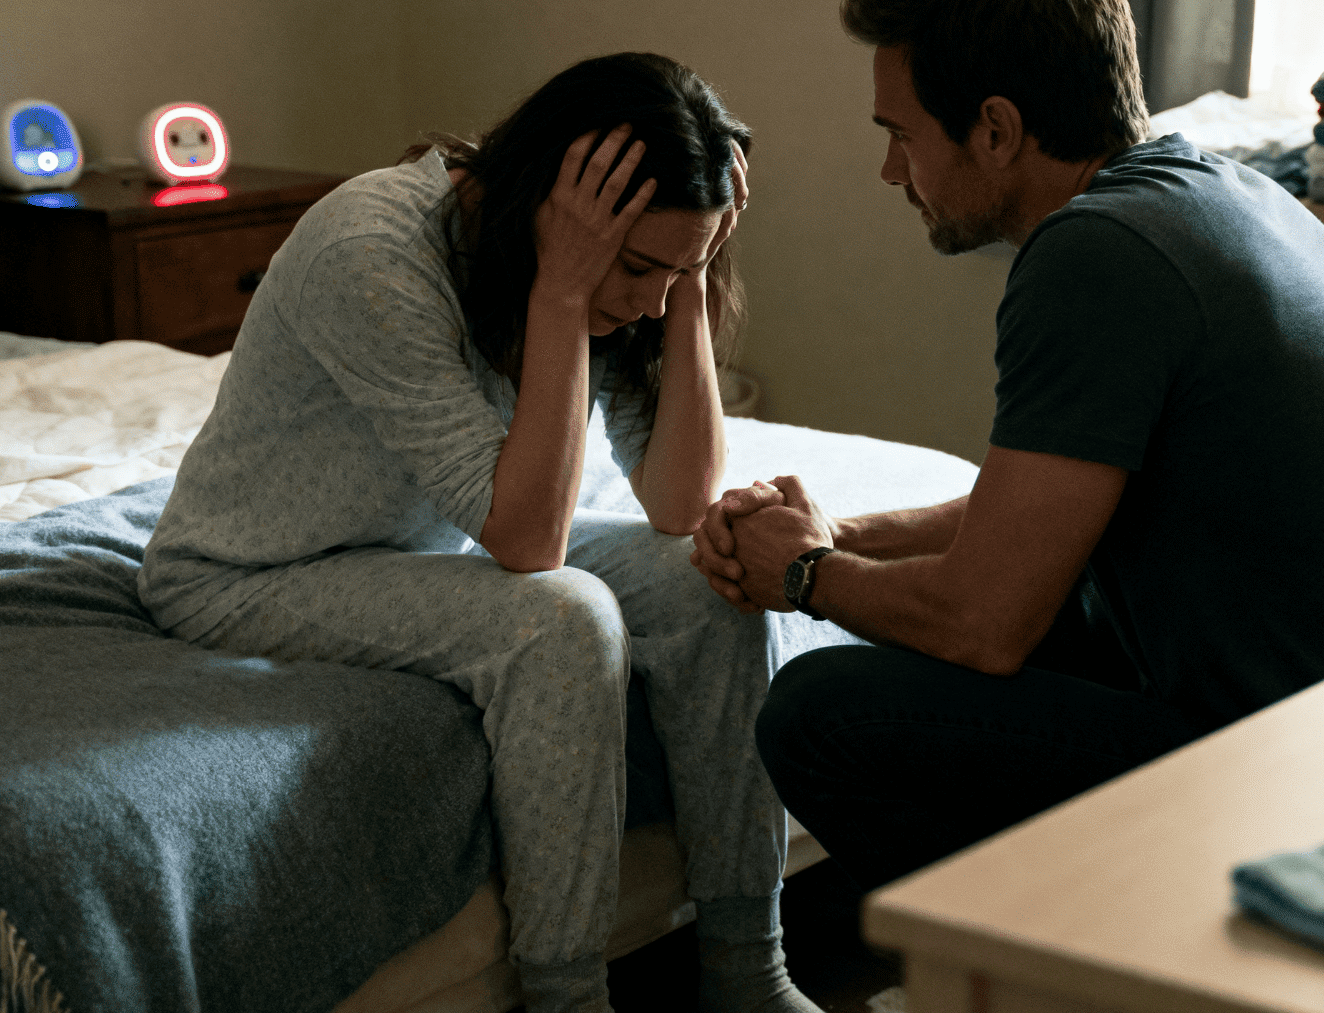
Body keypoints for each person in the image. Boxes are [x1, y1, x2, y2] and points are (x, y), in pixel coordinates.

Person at [690, 0, 1324, 893]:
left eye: (899, 135)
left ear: (995, 128)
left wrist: (807, 574)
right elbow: (1033, 523)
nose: (893, 174)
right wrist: (840, 532)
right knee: (1048, 596)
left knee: (820, 714)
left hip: (1307, 780)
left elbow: (984, 621)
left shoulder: (1094, 256)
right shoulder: (1216, 194)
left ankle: (1033, 977)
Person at [139, 52, 822, 1013]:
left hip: (430, 548)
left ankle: (748, 970)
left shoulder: (631, 272)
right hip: (249, 574)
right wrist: (564, 292)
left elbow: (677, 501)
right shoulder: (369, 250)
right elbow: (531, 546)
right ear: (557, 204)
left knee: (703, 571)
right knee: (561, 617)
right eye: (640, 268)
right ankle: (567, 999)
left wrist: (690, 278)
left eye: (679, 270)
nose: (650, 299)